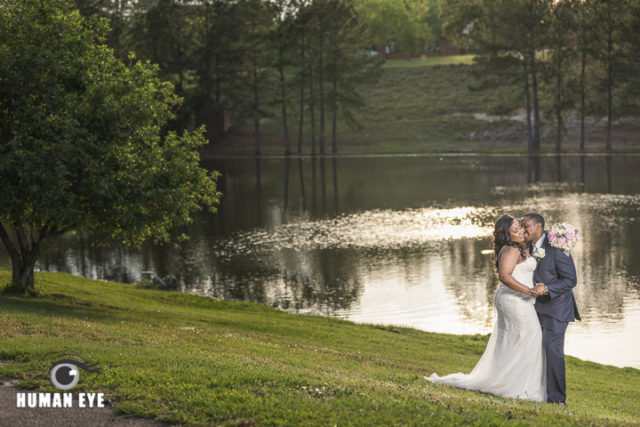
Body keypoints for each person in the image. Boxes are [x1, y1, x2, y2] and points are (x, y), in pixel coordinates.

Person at [424, 214, 547, 402]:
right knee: (531, 336)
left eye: (520, 227)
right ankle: (516, 385)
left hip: (518, 299)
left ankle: (516, 381)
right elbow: (504, 277)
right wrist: (528, 291)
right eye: (516, 229)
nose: (521, 230)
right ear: (507, 236)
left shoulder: (520, 248)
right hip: (515, 300)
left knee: (517, 340)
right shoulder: (511, 250)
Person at [521, 213, 580, 406]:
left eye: (526, 226)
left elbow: (571, 279)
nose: (523, 230)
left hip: (558, 309)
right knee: (536, 349)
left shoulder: (557, 245)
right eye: (521, 226)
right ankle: (536, 391)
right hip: (536, 309)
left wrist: (547, 288)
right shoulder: (526, 247)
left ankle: (557, 400)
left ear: (539, 226)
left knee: (552, 350)